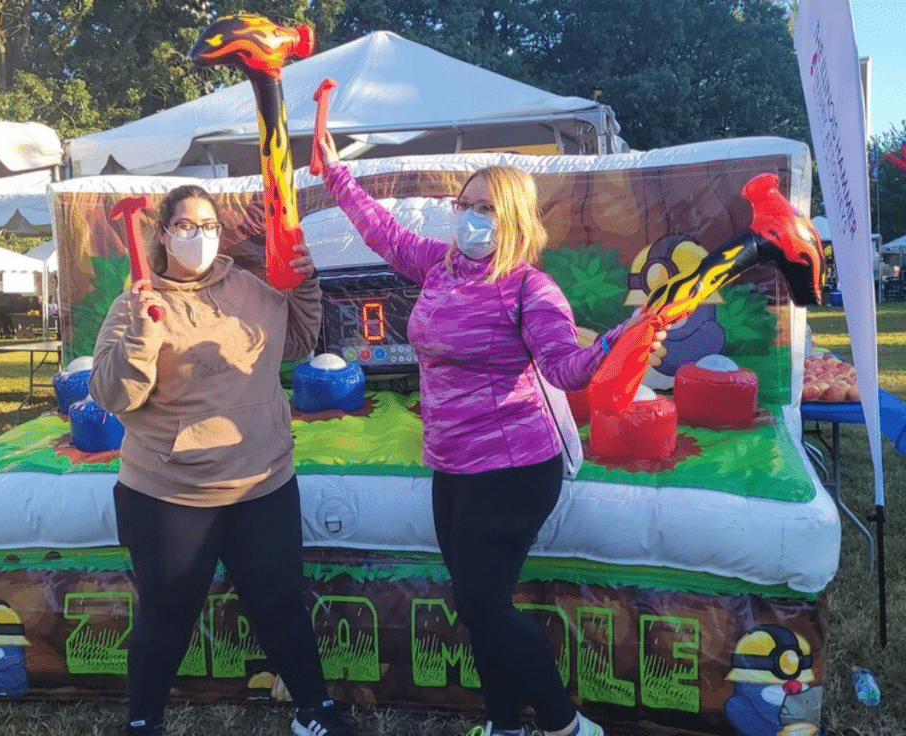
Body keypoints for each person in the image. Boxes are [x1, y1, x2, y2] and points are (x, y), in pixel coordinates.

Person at [318, 136, 665, 736]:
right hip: (451, 467)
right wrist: (334, 174)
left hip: (514, 469)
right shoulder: (437, 266)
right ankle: (503, 726)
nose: (472, 218)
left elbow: (565, 369)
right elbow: (381, 230)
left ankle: (567, 727)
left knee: (483, 606)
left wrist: (617, 340)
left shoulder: (532, 289)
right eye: (467, 204)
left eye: (488, 209)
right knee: (482, 610)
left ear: (516, 221)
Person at [89, 185, 356, 736]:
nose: (198, 235)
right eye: (185, 225)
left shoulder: (250, 292)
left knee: (281, 605)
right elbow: (113, 396)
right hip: (170, 493)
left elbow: (298, 339)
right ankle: (142, 723)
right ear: (163, 233)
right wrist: (142, 332)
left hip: (262, 482)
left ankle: (315, 712)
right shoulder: (135, 302)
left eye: (208, 225)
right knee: (167, 616)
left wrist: (305, 282)